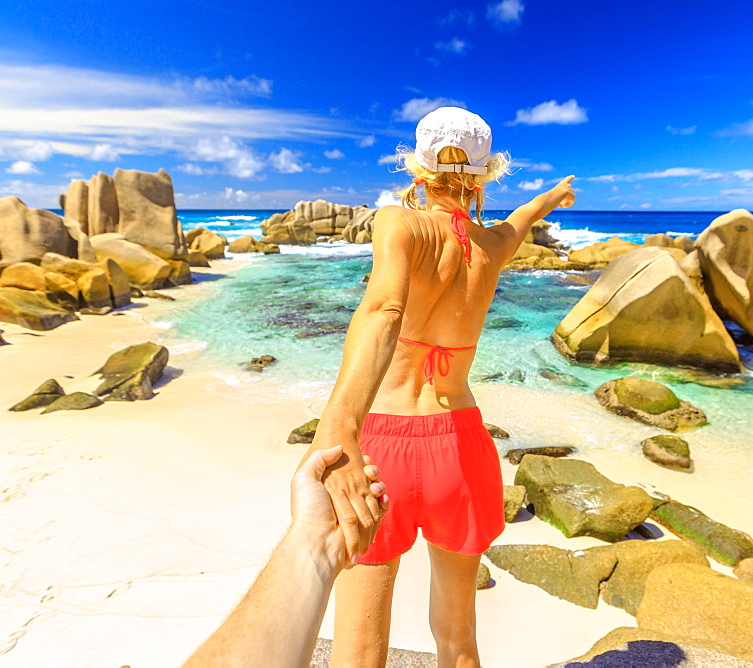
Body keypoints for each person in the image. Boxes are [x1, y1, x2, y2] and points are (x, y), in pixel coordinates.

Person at [305, 106, 576, 668]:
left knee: (357, 647)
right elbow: (518, 222)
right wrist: (550, 199)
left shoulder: (397, 222)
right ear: (481, 179)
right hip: (463, 445)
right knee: (458, 643)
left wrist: (338, 425)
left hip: (384, 445)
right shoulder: (491, 249)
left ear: (417, 171)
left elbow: (383, 308)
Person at [184, 445, 389, 667]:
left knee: (357, 641)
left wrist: (314, 537)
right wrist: (316, 536)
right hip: (378, 455)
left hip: (371, 446)